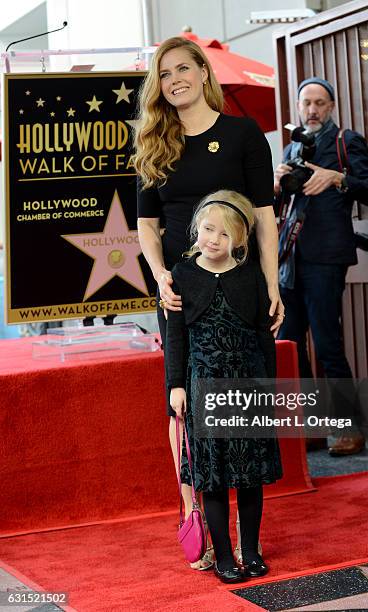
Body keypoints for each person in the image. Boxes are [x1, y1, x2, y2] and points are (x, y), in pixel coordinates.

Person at [133, 36, 283, 569]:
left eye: (182, 69)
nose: (173, 79)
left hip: (241, 291)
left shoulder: (243, 135)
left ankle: (250, 542)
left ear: (202, 72)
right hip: (182, 292)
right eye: (163, 73)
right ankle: (204, 530)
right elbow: (147, 225)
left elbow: (264, 216)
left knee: (246, 412)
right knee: (187, 409)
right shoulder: (155, 143)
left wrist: (271, 283)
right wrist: (160, 279)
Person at [166, 190, 282, 583]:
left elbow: (264, 334)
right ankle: (224, 558)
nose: (213, 239)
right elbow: (176, 337)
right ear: (196, 228)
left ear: (240, 241)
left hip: (246, 384)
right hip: (203, 385)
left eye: (224, 234)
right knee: (212, 478)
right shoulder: (182, 276)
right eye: (207, 229)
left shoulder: (251, 275)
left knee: (249, 477)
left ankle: (249, 548)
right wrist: (175, 386)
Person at [274, 77, 368, 456]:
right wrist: (274, 186)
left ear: (332, 107)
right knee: (288, 343)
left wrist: (337, 178)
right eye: (307, 103)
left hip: (326, 258)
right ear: (299, 107)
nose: (313, 110)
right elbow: (281, 207)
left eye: (320, 103)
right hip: (291, 257)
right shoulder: (291, 148)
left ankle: (350, 430)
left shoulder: (345, 142)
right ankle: (312, 429)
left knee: (327, 343)